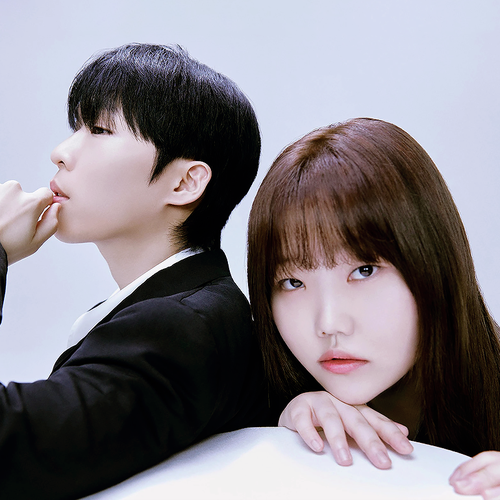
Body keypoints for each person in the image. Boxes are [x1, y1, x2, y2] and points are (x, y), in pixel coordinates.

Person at [0, 43, 271, 500]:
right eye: (76, 128)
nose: (60, 153)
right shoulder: (180, 310)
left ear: (184, 182)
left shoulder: (181, 328)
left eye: (100, 129)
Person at [247, 118, 500, 499]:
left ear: (434, 262)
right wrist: (282, 437)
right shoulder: (246, 393)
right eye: (292, 282)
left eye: (364, 271)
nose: (329, 323)